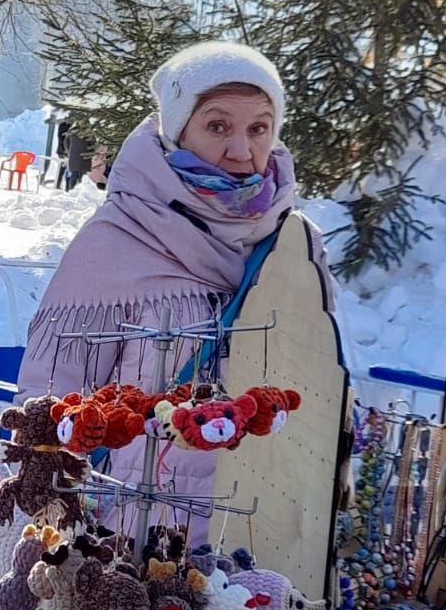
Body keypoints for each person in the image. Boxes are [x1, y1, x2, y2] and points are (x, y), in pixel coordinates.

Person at [17, 41, 329, 499]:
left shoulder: (295, 246)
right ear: (178, 130)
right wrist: (46, 525)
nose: (241, 150)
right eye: (217, 125)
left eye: (259, 128)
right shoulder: (117, 240)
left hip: (265, 535)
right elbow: (51, 400)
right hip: (130, 537)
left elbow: (317, 390)